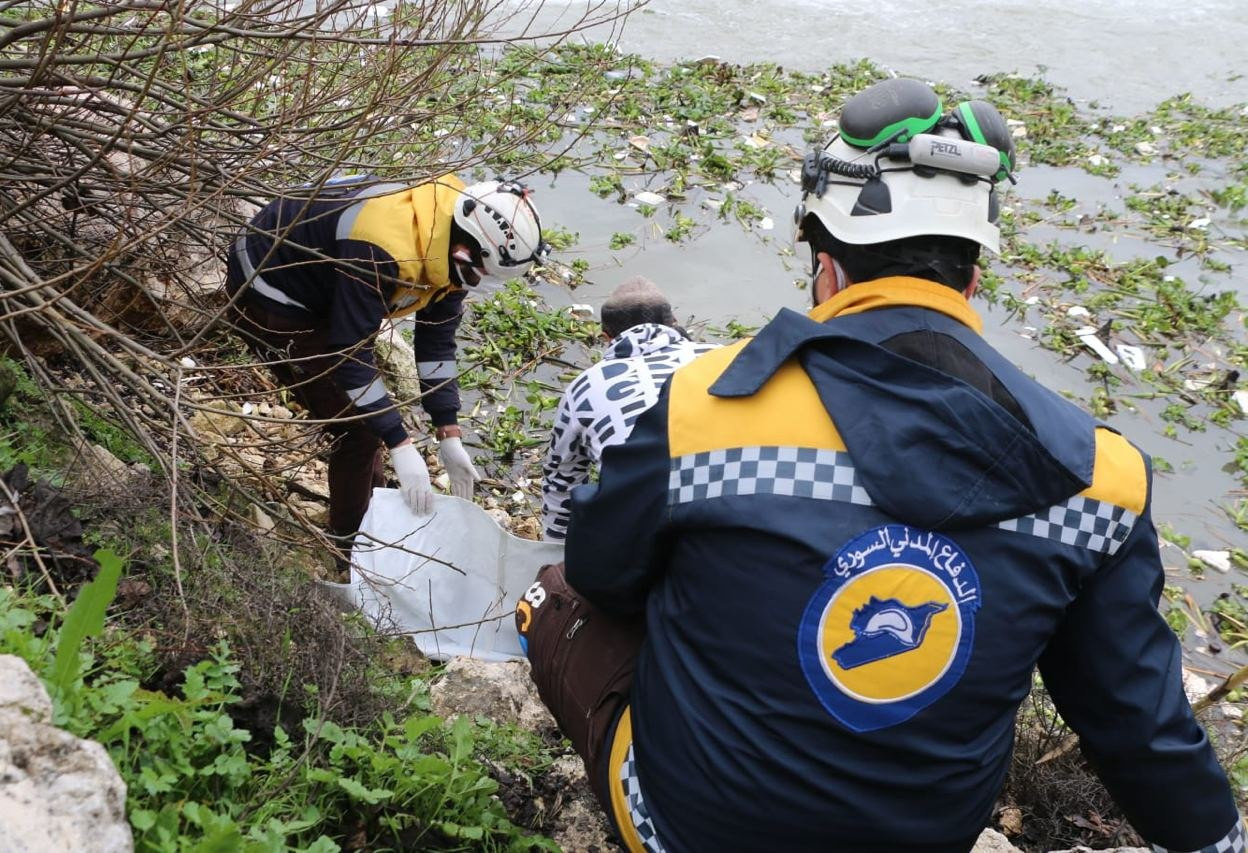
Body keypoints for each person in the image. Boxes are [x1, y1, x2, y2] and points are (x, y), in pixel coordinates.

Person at [516, 79, 1242, 852]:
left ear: (828, 272)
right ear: (971, 281)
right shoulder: (1105, 476)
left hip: (679, 833)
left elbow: (601, 571)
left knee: (553, 591)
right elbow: (1138, 724)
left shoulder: (703, 404)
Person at [225, 174, 546, 566]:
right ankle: (350, 547)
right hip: (268, 288)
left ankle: (372, 516)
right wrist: (398, 440)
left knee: (369, 415)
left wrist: (448, 429)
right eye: (483, 274)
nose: (478, 283)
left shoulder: (448, 237)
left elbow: (436, 343)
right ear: (465, 249)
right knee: (357, 430)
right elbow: (349, 352)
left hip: (323, 280)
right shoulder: (381, 246)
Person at [541, 276, 715, 540]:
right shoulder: (724, 357)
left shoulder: (586, 385)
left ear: (606, 337)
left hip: (647, 532)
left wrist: (556, 553)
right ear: (674, 323)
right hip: (745, 513)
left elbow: (561, 481)